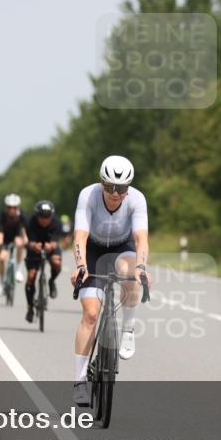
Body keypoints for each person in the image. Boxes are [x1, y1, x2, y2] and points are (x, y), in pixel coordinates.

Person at [69, 155, 149, 406]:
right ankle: (79, 381)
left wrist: (142, 268)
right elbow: (80, 235)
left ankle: (127, 329)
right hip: (93, 249)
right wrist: (81, 265)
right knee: (91, 314)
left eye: (121, 188)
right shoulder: (88, 195)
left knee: (131, 273)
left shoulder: (136, 199)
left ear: (129, 187)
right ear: (101, 182)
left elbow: (140, 240)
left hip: (121, 247)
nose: (115, 194)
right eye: (110, 187)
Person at [24, 200, 63, 323]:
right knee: (31, 276)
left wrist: (51, 245)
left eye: (47, 217)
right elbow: (28, 241)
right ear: (37, 216)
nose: (44, 220)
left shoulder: (57, 223)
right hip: (34, 247)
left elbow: (56, 241)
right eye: (41, 217)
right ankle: (30, 307)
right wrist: (34, 246)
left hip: (50, 247)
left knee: (56, 262)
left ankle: (51, 281)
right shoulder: (30, 222)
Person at [0, 193, 27, 296]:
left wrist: (25, 239)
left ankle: (18, 269)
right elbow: (0, 233)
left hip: (16, 237)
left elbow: (23, 229)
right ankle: (1, 283)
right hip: (5, 239)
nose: (12, 210)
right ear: (6, 207)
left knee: (20, 244)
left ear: (17, 207)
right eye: (9, 207)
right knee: (2, 258)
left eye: (14, 207)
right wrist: (0, 246)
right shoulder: (2, 215)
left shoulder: (21, 215)